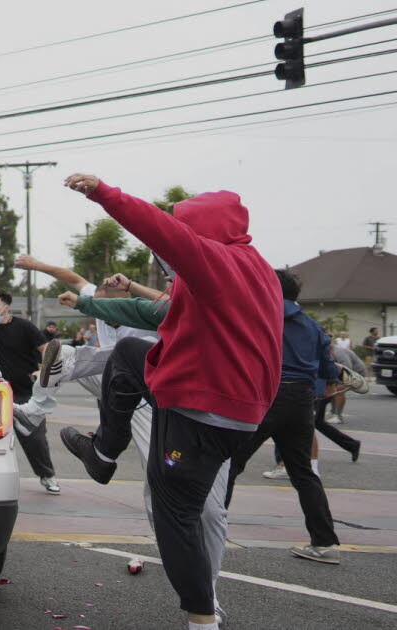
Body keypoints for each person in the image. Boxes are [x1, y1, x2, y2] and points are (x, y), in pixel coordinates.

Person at [56, 173, 282, 630]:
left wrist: (103, 192)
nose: (166, 262)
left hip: (202, 414)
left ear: (201, 234)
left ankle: (202, 619)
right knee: (128, 353)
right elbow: (154, 310)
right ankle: (103, 451)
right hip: (236, 410)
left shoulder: (214, 262)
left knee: (176, 516)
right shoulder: (257, 269)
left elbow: (158, 229)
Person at [225, 270, 345, 565]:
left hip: (267, 395)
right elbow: (328, 369)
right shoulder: (312, 326)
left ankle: (205, 531)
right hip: (302, 400)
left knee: (229, 465)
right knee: (303, 472)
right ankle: (325, 542)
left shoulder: (258, 316)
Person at [0, 288, 60, 495]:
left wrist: (44, 371)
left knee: (35, 438)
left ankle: (47, 476)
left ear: (6, 307)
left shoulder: (25, 327)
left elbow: (48, 350)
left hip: (25, 394)